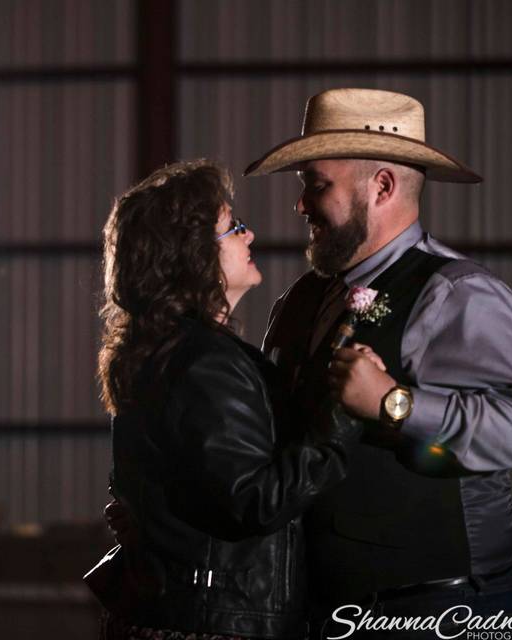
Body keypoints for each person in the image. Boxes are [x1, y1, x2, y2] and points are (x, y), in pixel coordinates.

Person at [244, 88, 512, 638]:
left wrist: (396, 403)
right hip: (323, 608)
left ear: (382, 187)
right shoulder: (300, 300)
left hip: (438, 613)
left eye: (317, 185)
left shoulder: (460, 294)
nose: (300, 206)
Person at [90, 160, 371, 640]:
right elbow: (253, 501)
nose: (250, 235)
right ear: (193, 256)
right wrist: (344, 416)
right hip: (219, 622)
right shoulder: (205, 363)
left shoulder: (159, 349)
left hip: (177, 613)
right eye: (233, 228)